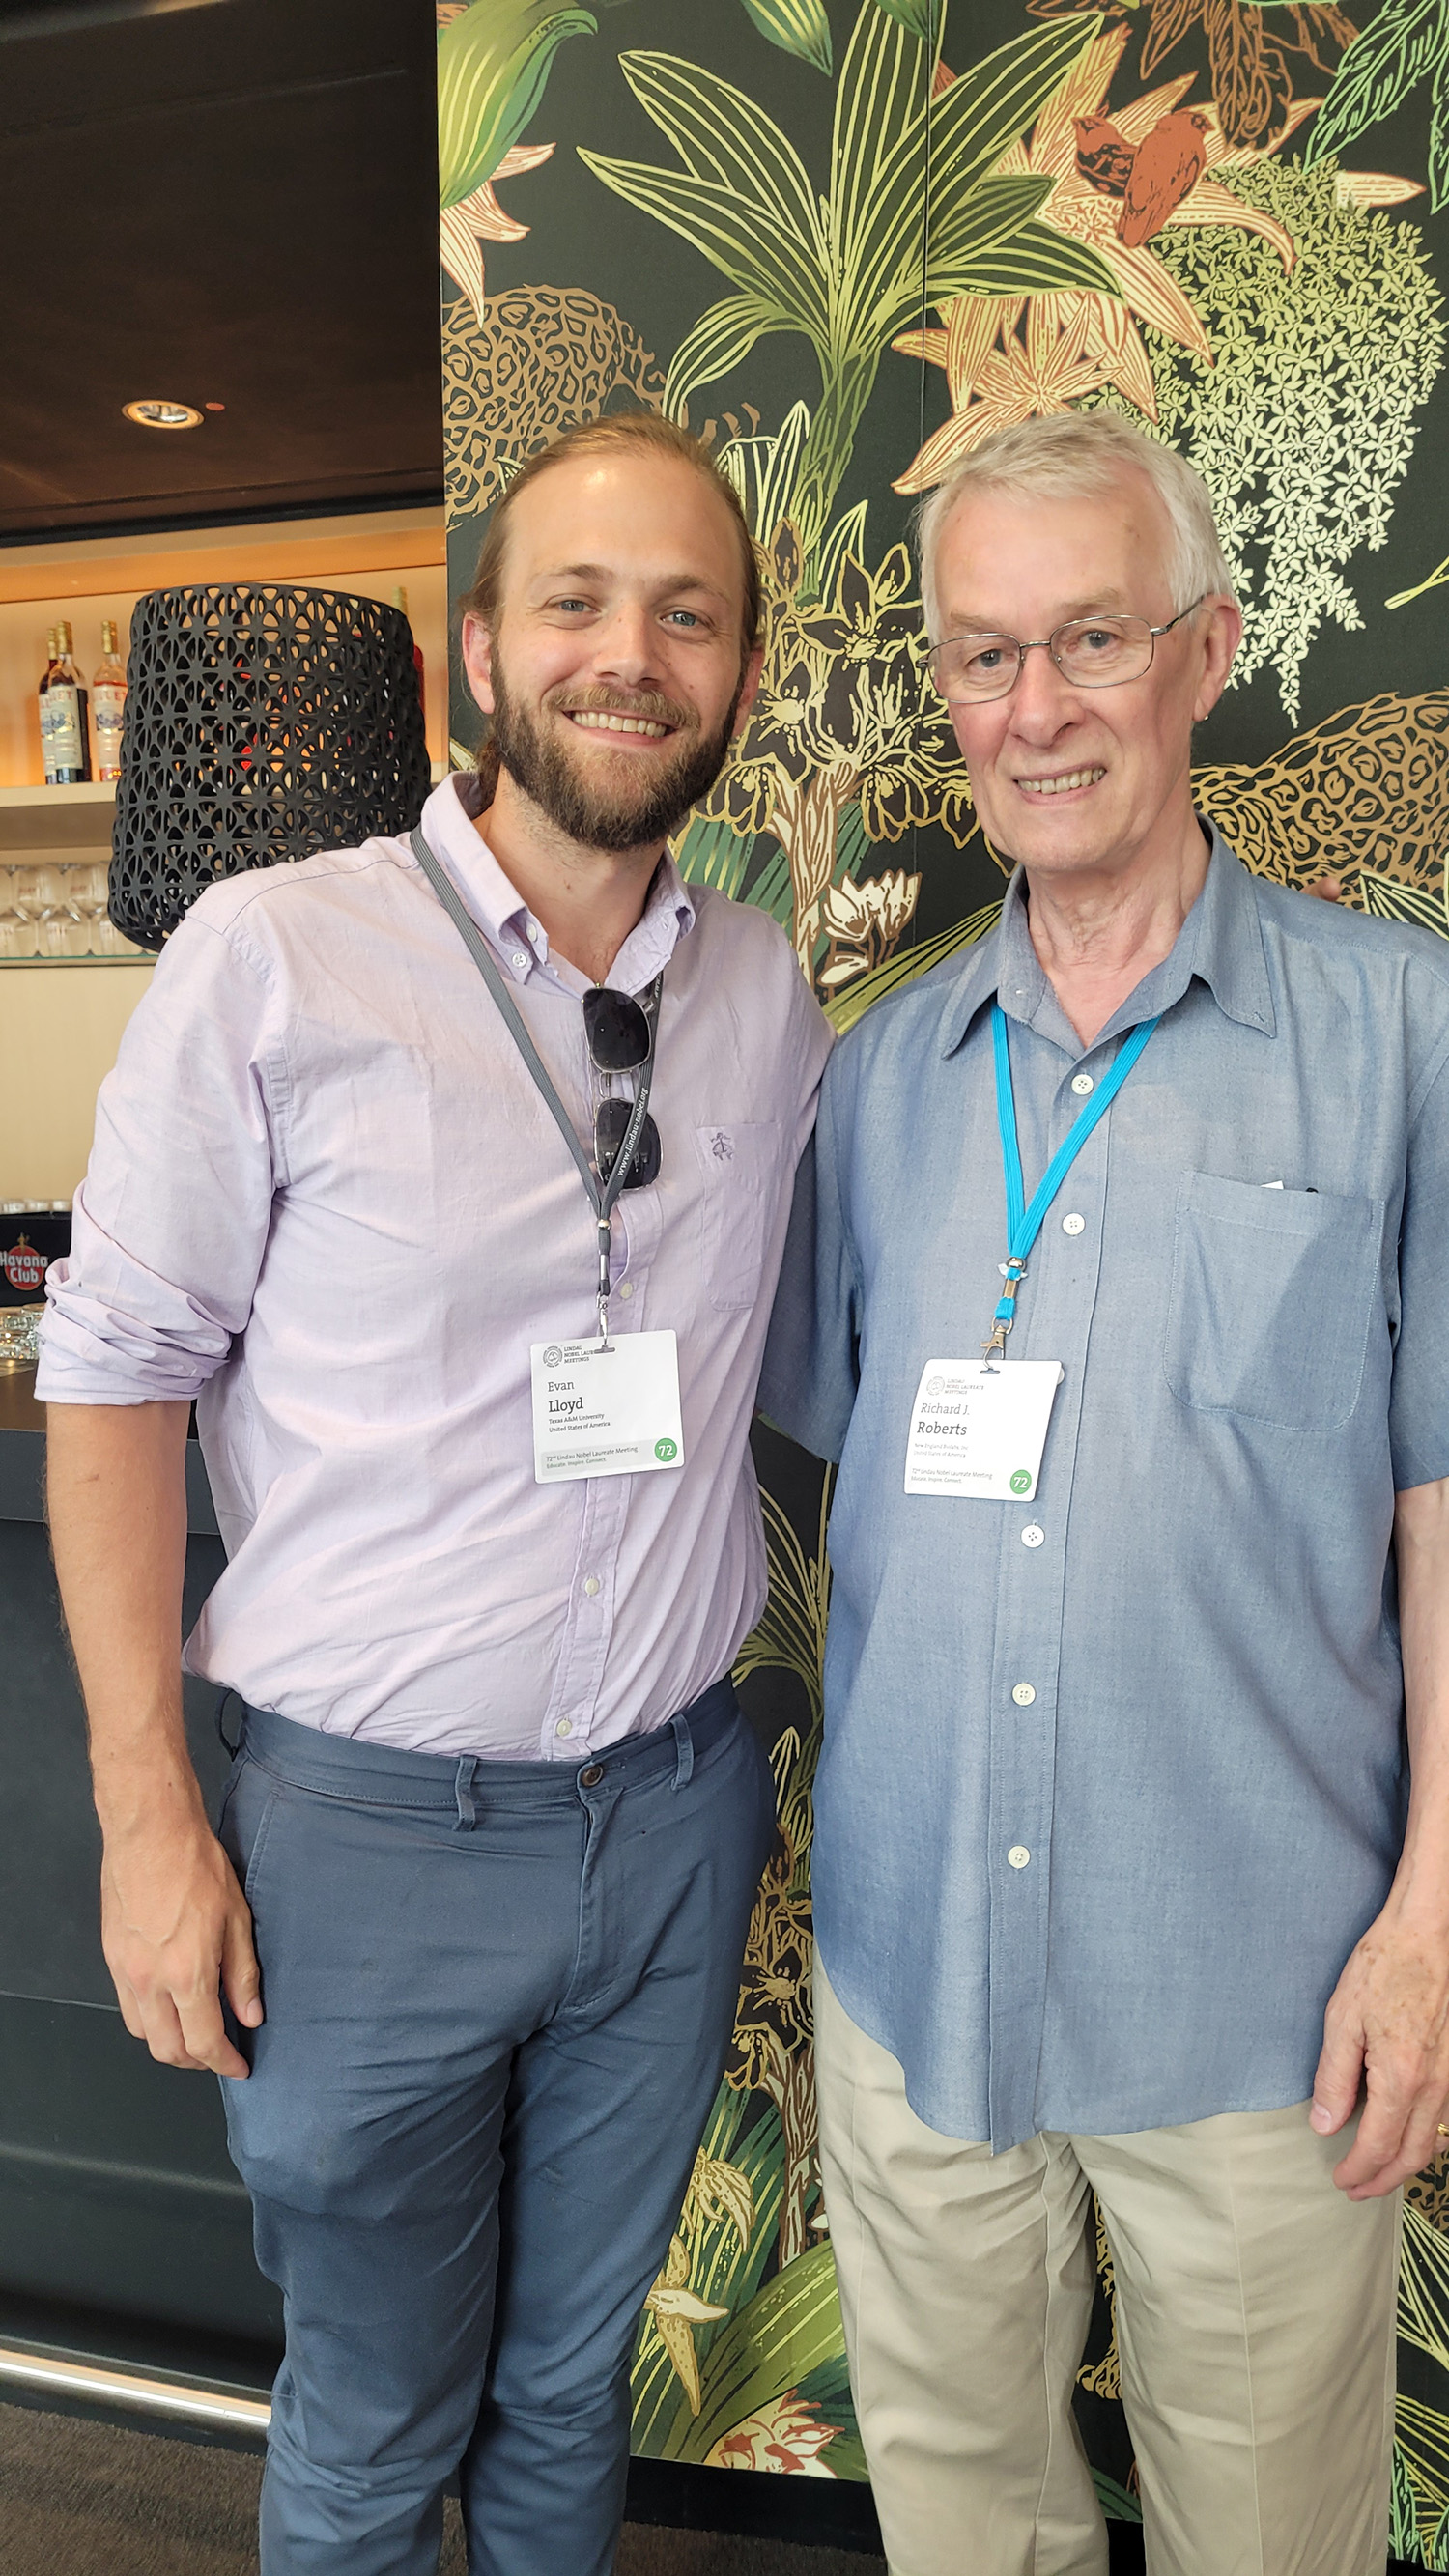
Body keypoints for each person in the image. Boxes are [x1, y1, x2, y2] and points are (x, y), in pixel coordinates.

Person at [40, 411, 832, 2576]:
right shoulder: (276, 958)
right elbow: (111, 1377)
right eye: (574, 601)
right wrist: (145, 1818)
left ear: (740, 674)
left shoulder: (763, 995)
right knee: (381, 2422)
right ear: (478, 654)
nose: (629, 654)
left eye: (686, 613)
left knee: (570, 2389)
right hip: (365, 1847)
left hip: (673, 1820)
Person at [760, 410, 1449, 2576]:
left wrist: (1435, 1920)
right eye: (981, 657)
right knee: (971, 2535)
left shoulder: (1402, 1031)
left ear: (1209, 648)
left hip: (1263, 1992)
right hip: (916, 1969)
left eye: (1088, 640)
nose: (1032, 709)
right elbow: (838, 1472)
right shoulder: (873, 1078)